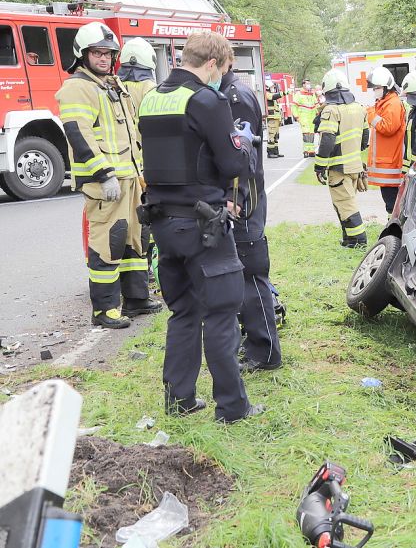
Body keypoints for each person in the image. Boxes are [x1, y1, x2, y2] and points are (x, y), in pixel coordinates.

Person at [138, 31, 262, 422]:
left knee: (184, 313)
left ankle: (180, 400)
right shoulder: (207, 100)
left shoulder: (152, 98)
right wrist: (241, 144)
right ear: (212, 64)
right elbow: (232, 165)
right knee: (222, 313)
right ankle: (233, 407)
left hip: (162, 223)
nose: (222, 76)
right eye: (223, 69)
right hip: (203, 226)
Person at [56, 22, 160, 329]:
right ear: (83, 55)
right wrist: (103, 174)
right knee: (108, 242)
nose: (104, 58)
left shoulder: (114, 85)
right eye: (97, 53)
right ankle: (104, 309)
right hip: (107, 183)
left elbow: (131, 134)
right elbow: (79, 133)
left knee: (134, 239)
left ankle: (136, 300)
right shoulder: (78, 87)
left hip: (131, 180)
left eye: (108, 53)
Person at [220, 61, 283, 373]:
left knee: (251, 272)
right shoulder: (225, 92)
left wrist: (236, 199)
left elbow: (241, 157)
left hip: (244, 198)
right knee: (242, 273)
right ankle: (257, 344)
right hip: (240, 196)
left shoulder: (236, 98)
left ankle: (264, 352)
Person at [118, 36, 159, 285]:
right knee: (150, 217)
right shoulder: (151, 90)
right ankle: (150, 266)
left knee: (128, 221)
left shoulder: (114, 87)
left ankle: (131, 272)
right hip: (148, 164)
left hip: (124, 165)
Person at [314, 69, 369, 247]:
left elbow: (327, 141)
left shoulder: (331, 110)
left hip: (339, 168)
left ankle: (359, 241)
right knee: (343, 205)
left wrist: (319, 166)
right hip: (355, 166)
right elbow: (364, 139)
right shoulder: (359, 108)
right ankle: (349, 240)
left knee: (346, 206)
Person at [365, 67, 406, 214]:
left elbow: (388, 128)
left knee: (393, 204)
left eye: (377, 88)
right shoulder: (384, 102)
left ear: (386, 86)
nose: (375, 90)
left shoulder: (392, 103)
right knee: (391, 203)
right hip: (387, 163)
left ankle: (395, 232)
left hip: (391, 163)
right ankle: (393, 230)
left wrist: (370, 114)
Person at [291, 79, 319, 157]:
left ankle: (311, 151)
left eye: (309, 83)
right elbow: (294, 106)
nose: (309, 85)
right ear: (303, 85)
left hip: (312, 117)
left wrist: (319, 113)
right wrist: (296, 116)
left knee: (311, 133)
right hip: (303, 117)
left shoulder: (311, 94)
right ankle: (306, 150)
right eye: (307, 83)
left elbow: (316, 104)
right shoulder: (299, 94)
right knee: (306, 133)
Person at [264, 79, 285, 159]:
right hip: (271, 118)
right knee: (271, 135)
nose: (273, 88)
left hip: (275, 117)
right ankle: (270, 152)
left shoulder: (270, 93)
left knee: (276, 136)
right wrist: (283, 93)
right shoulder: (267, 94)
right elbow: (273, 97)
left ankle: (276, 152)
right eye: (272, 87)